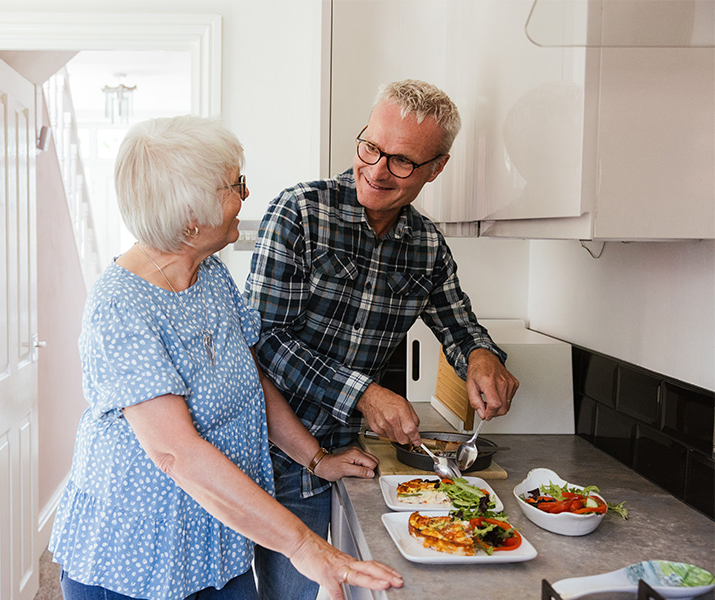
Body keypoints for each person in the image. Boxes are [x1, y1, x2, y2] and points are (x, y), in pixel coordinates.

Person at [48, 115, 404, 600]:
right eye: (235, 185)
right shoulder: (120, 305)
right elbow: (176, 452)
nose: (247, 193)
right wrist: (303, 545)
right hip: (139, 556)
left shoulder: (210, 274)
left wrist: (316, 460)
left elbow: (250, 379)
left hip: (217, 538)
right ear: (191, 216)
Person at [245, 79, 520, 600]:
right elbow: (264, 341)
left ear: (436, 168)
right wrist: (364, 394)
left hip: (344, 457)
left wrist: (482, 357)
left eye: (401, 161)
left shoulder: (426, 246)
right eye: (370, 147)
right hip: (265, 452)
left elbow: (459, 325)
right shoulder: (299, 213)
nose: (375, 170)